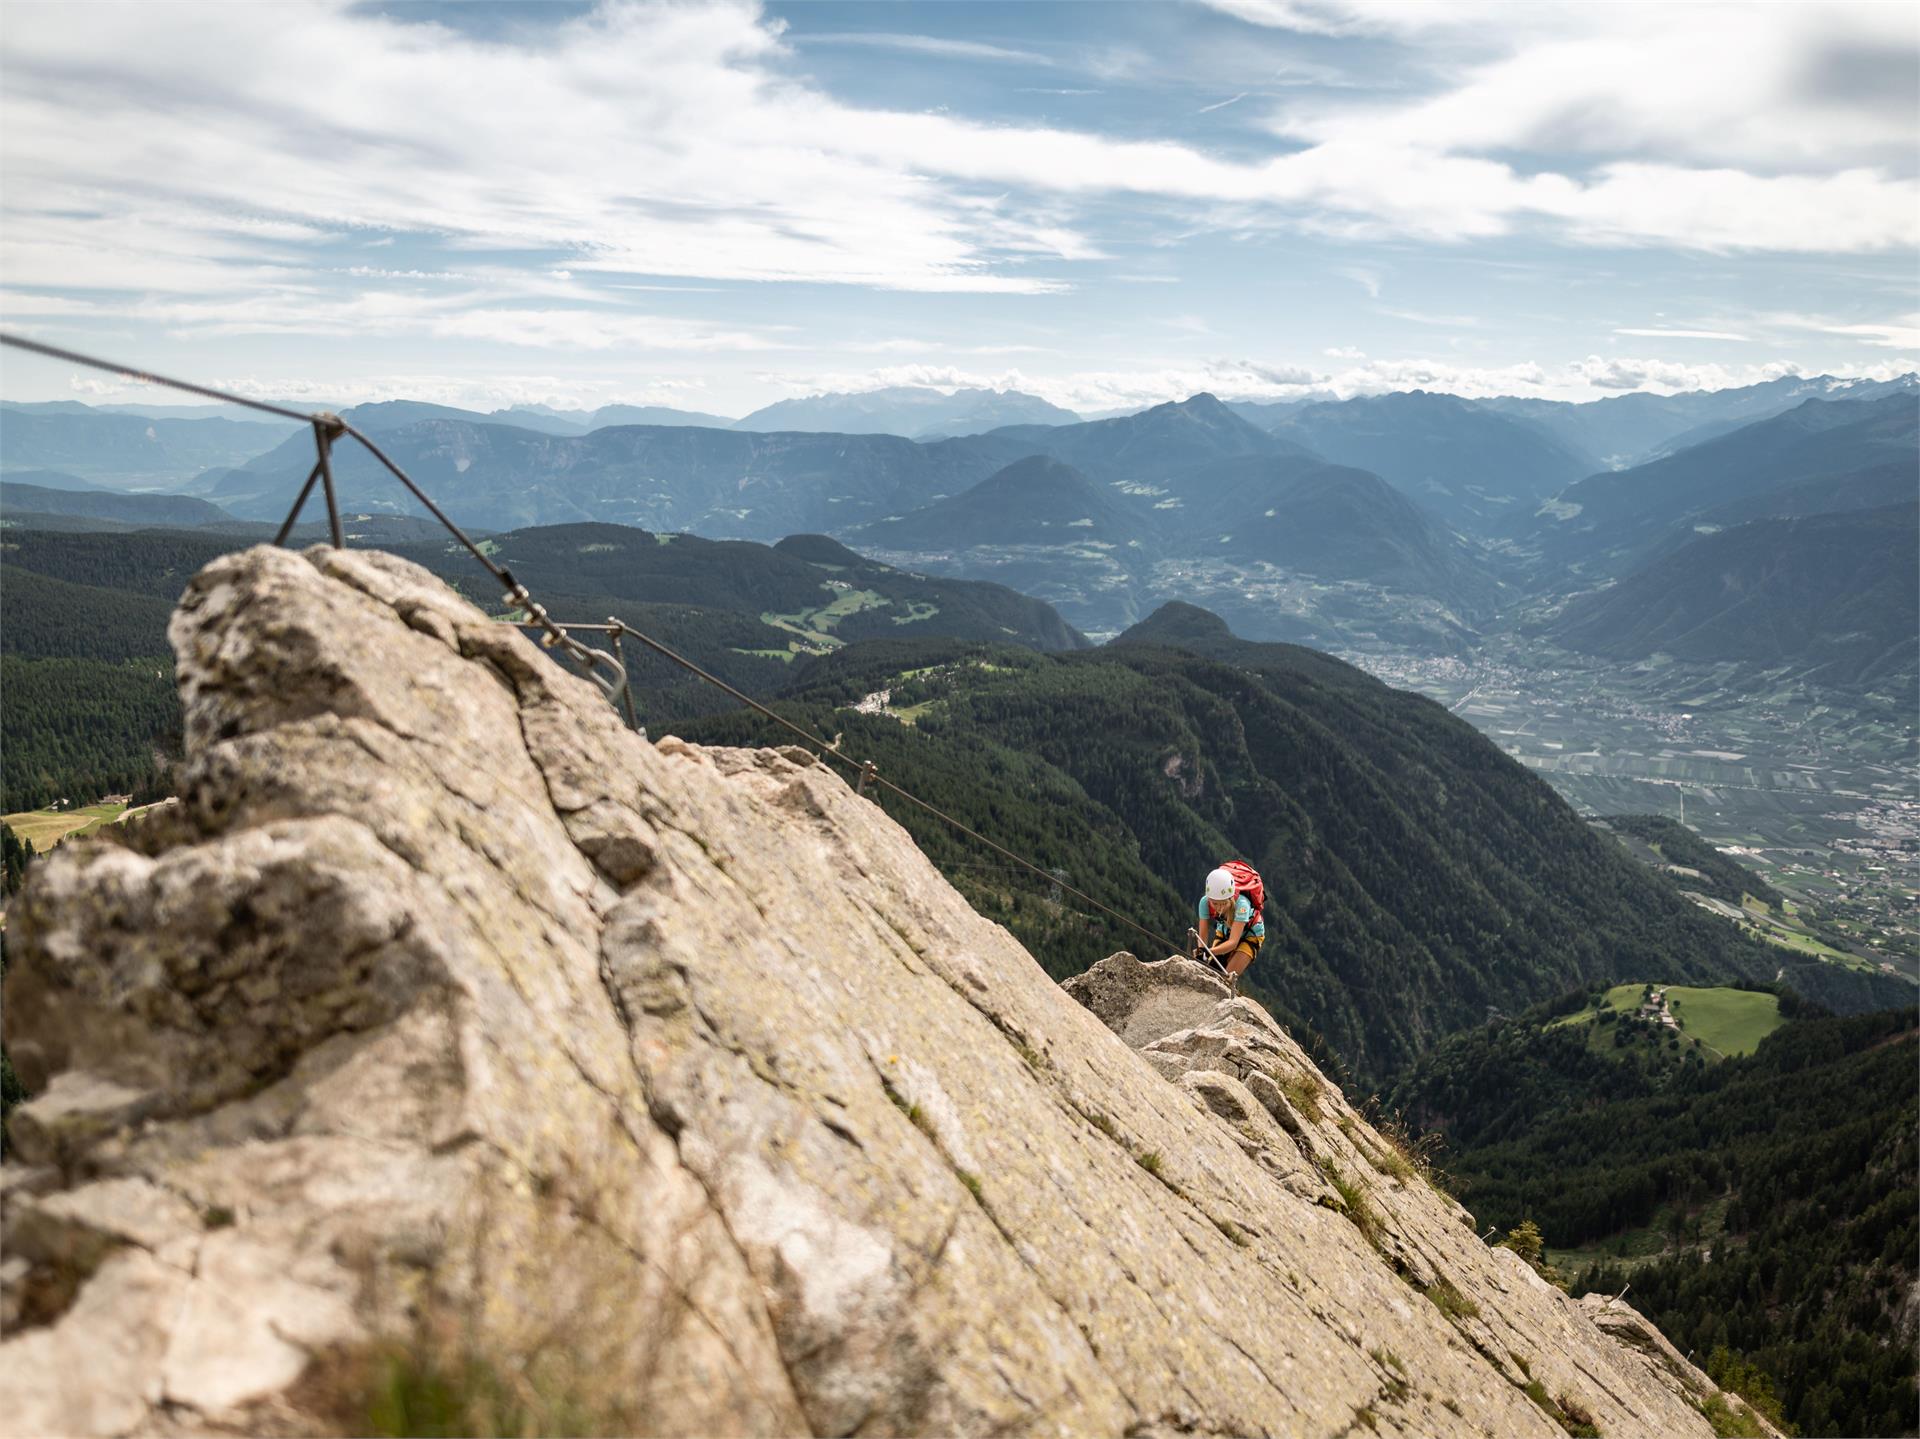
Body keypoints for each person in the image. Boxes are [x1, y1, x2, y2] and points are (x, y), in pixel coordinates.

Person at [1194, 864, 1263, 981]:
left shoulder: (1242, 905)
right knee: (1210, 973)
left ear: (1230, 898)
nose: (1219, 908)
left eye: (1223, 903)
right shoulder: (1204, 903)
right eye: (1215, 903)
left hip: (1250, 935)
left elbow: (1233, 942)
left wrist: (1209, 951)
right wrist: (1202, 952)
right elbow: (1203, 937)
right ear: (1209, 898)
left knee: (1226, 978)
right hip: (1224, 931)